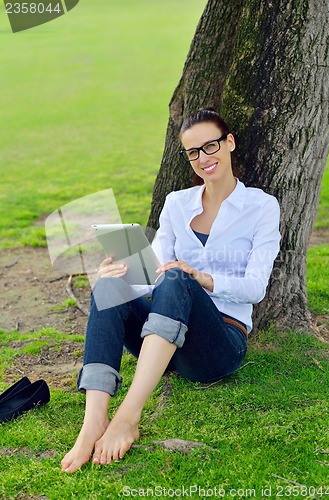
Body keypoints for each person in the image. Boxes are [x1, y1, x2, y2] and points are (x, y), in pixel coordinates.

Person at [61, 108, 281, 473]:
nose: (203, 159)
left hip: (219, 342)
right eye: (193, 152)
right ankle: (93, 422)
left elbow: (256, 287)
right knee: (110, 287)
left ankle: (127, 417)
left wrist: (201, 277)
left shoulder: (260, 206)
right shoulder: (177, 203)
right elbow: (156, 272)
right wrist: (121, 273)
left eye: (210, 146)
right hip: (165, 342)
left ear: (229, 143)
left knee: (180, 279)